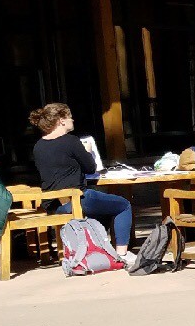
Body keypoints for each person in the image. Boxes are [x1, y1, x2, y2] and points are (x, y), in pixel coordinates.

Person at [29, 103, 135, 266]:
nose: (73, 120)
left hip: (54, 204)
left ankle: (98, 248)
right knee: (123, 205)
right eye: (70, 117)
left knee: (103, 210)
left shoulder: (38, 146)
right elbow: (91, 168)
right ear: (61, 120)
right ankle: (122, 253)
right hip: (77, 199)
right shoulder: (71, 141)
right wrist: (87, 150)